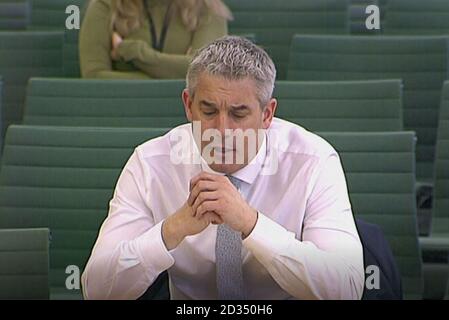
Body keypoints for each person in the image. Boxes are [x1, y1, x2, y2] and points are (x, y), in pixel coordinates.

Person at [81, 36, 365, 300]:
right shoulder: (151, 163)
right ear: (188, 106)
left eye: (239, 114)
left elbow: (347, 287)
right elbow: (96, 289)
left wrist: (251, 224)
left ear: (267, 114)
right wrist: (171, 230)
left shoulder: (313, 160)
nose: (222, 130)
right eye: (208, 111)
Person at [79, 0, 231, 79]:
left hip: (184, 117)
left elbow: (207, 72)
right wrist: (176, 73)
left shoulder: (207, 7)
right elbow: (94, 75)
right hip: (121, 110)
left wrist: (136, 53)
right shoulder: (105, 6)